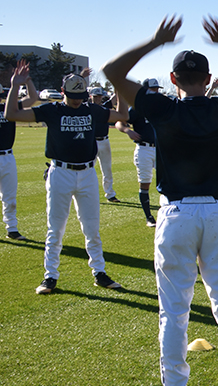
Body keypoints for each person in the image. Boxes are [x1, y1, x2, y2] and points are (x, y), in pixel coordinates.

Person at [102, 15, 218, 386]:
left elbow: (112, 71)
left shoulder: (160, 106)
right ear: (209, 77)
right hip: (217, 213)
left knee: (175, 312)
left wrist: (154, 40)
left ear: (174, 78)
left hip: (176, 213)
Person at [5, 64, 128, 294]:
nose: (76, 101)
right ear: (63, 92)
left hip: (88, 173)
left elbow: (122, 115)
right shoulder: (51, 110)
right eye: (72, 97)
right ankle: (50, 276)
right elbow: (11, 114)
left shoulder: (91, 109)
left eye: (80, 96)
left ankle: (99, 272)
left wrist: (119, 86)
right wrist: (14, 86)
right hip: (60, 172)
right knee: (56, 228)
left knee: (92, 228)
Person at [115, 79, 160, 227]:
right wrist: (128, 130)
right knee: (145, 183)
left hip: (161, 149)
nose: (156, 91)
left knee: (169, 181)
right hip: (144, 149)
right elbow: (119, 121)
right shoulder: (137, 108)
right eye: (152, 89)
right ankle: (149, 217)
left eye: (157, 89)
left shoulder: (162, 105)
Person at [1, 66, 38, 241]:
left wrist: (27, 80)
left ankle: (12, 228)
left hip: (8, 156)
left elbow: (33, 98)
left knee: (10, 196)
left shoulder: (7, 107)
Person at [89, 86, 119, 203]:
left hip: (104, 140)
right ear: (91, 96)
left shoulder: (105, 106)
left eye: (99, 96)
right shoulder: (87, 107)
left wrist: (118, 83)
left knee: (107, 170)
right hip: (91, 141)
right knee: (88, 169)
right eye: (95, 97)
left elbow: (115, 97)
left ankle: (110, 194)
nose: (98, 99)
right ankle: (89, 194)